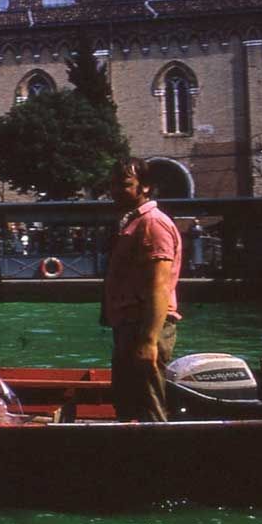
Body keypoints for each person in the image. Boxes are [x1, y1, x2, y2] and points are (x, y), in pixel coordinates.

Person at [102, 157, 182, 422]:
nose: (115, 191)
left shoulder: (152, 224)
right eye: (113, 184)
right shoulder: (134, 222)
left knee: (149, 407)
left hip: (144, 328)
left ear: (145, 187)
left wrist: (148, 341)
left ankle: (157, 457)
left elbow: (159, 286)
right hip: (130, 326)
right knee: (128, 403)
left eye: (124, 184)